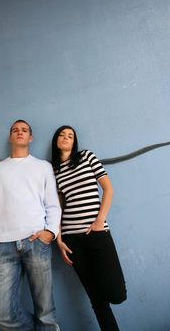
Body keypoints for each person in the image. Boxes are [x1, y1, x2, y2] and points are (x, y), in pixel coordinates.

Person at [0, 119, 61, 331]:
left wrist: (50, 233)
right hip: (3, 246)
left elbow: (53, 205)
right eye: (15, 130)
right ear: (10, 137)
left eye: (24, 130)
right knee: (2, 315)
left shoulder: (43, 167)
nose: (20, 132)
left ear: (30, 137)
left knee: (46, 312)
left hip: (37, 242)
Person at [51, 125, 127, 331]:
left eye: (70, 136)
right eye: (62, 135)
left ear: (74, 142)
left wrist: (99, 221)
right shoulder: (54, 170)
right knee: (97, 301)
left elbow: (108, 188)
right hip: (71, 239)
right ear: (56, 141)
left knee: (117, 294)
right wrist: (59, 240)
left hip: (97, 233)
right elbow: (58, 206)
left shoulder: (86, 157)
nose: (66, 138)